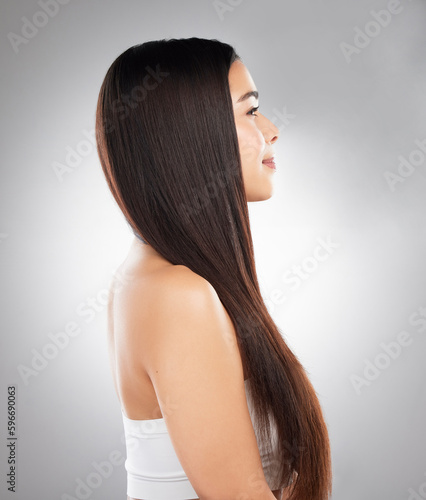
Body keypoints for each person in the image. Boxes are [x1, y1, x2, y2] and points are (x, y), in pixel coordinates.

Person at [95, 37, 332, 500]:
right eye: (250, 111)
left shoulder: (147, 273)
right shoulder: (176, 294)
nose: (272, 128)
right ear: (190, 133)